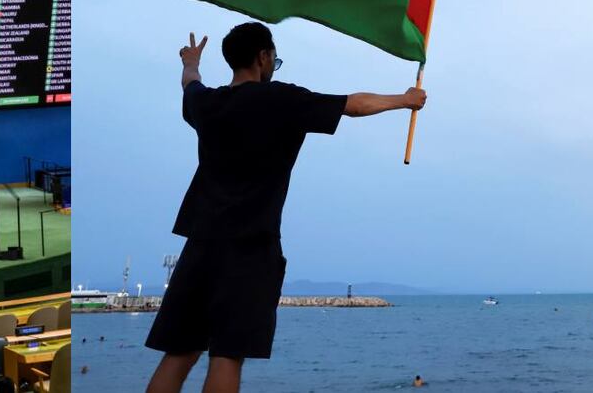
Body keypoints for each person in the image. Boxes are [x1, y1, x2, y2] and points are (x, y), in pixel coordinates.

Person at [144, 23, 427, 393]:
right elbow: (352, 105)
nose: (273, 65)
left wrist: (191, 60)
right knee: (227, 355)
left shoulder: (206, 103)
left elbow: (190, 82)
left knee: (179, 353)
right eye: (273, 59)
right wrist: (404, 100)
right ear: (262, 56)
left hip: (199, 243)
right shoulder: (280, 99)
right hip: (250, 246)